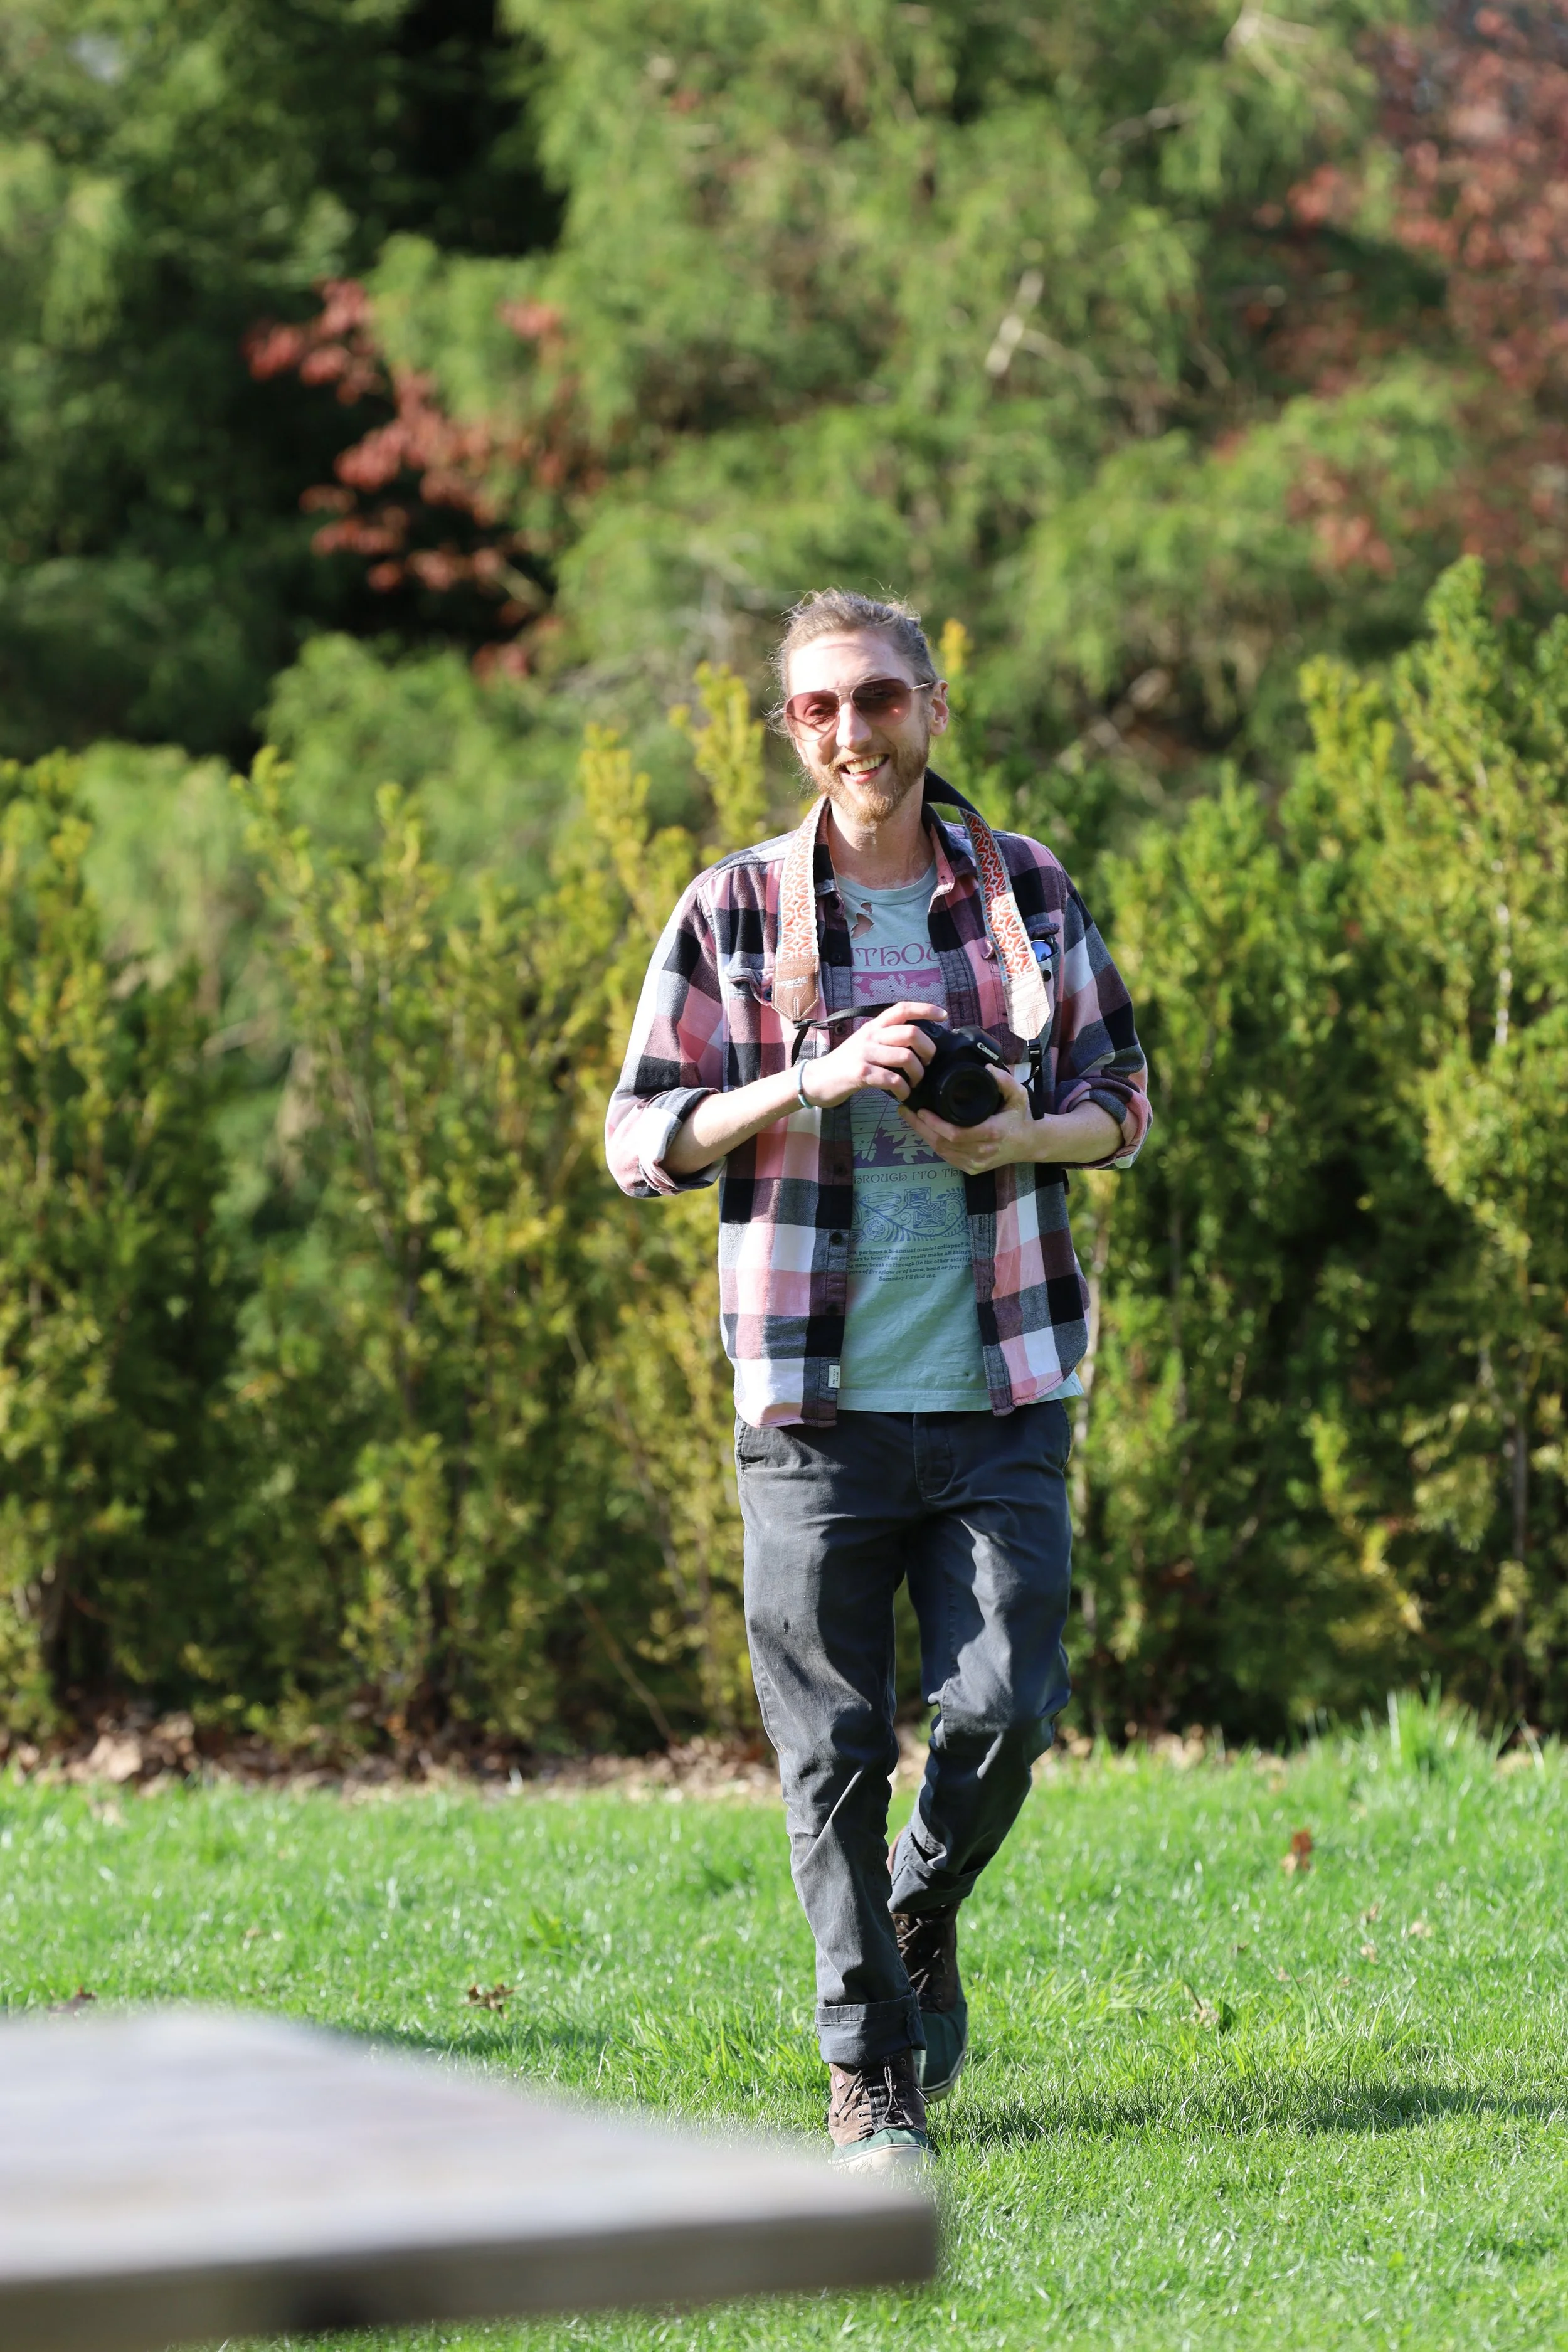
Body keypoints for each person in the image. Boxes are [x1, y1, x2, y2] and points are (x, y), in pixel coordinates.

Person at [606, 589, 1150, 2175]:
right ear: (792, 729)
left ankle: (920, 1899)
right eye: (822, 708)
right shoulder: (728, 909)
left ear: (930, 704)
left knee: (1006, 1705)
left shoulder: (1025, 892)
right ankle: (871, 2076)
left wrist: (1013, 1134)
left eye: (882, 699)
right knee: (829, 1750)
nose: (856, 732)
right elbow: (640, 1138)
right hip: (809, 1406)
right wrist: (813, 1078)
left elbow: (1122, 1100)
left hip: (1000, 1385)